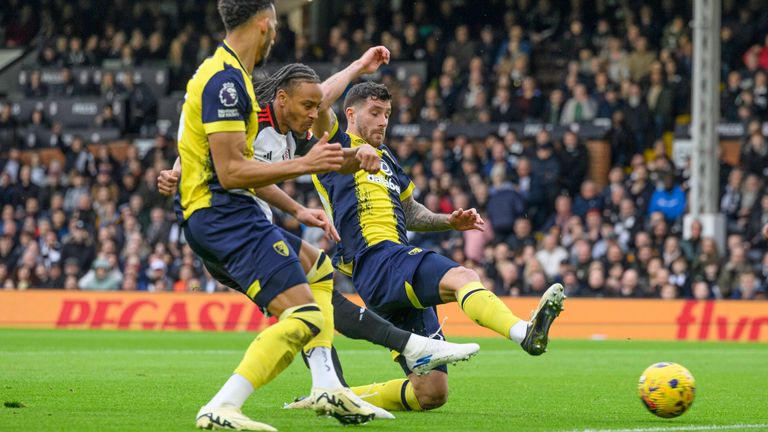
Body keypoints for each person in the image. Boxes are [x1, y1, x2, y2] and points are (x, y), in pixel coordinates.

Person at [160, 44, 479, 425]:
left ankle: (329, 387)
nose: (315, 115)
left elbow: (320, 96)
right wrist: (178, 170)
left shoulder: (288, 126)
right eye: (308, 108)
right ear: (283, 100)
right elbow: (212, 146)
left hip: (246, 224)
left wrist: (360, 66)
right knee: (309, 307)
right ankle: (407, 347)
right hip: (229, 226)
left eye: (316, 108)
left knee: (317, 288)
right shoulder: (252, 117)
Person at [308, 81, 565, 412]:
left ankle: (339, 397)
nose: (383, 121)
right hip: (377, 259)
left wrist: (449, 221)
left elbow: (411, 211)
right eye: (375, 113)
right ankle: (522, 332)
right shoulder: (334, 146)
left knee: (430, 393)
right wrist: (360, 65)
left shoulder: (386, 158)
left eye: (387, 113)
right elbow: (316, 98)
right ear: (350, 113)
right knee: (462, 276)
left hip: (394, 268)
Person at [173, 1, 362, 430]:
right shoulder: (226, 83)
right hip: (224, 213)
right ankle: (223, 405)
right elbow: (231, 171)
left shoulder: (228, 74)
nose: (276, 33)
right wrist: (306, 164)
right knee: (306, 315)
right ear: (263, 25)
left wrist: (297, 208)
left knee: (319, 270)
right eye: (275, 24)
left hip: (224, 213)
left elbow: (225, 158)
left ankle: (327, 385)